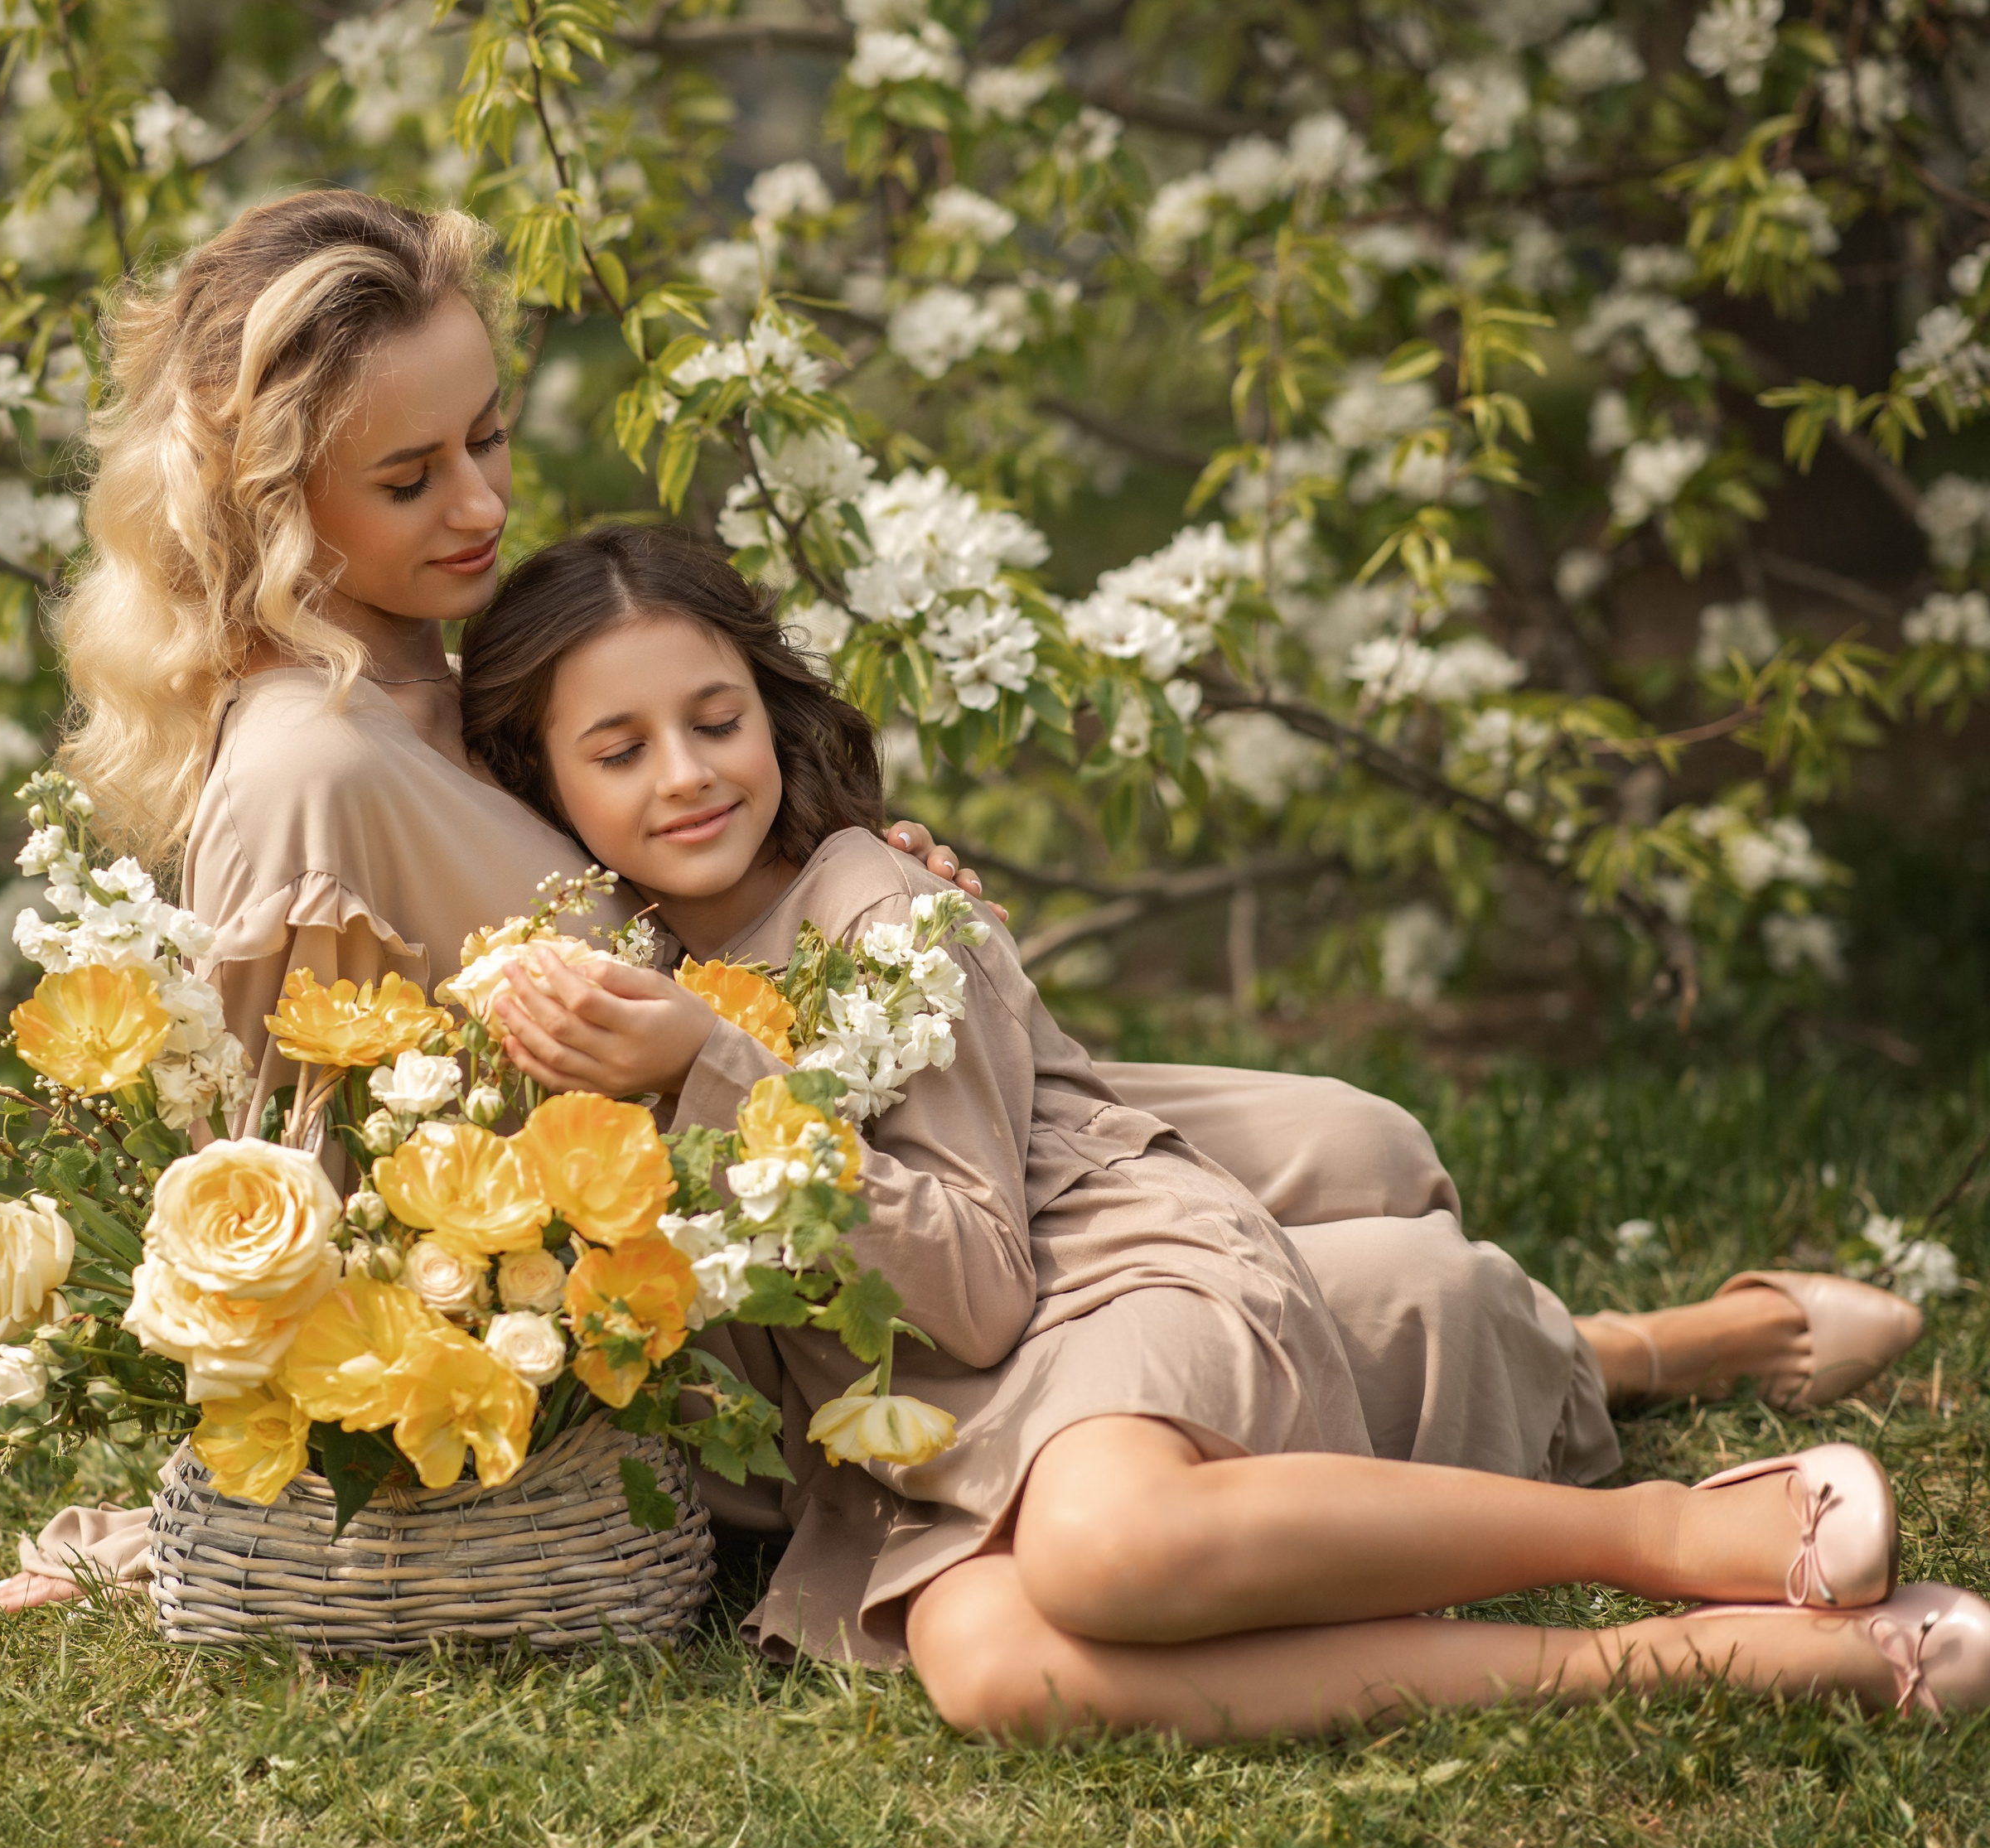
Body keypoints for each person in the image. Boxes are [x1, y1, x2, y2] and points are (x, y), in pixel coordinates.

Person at [0, 190, 1911, 1605]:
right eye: (411, 478)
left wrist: (851, 873)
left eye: (489, 436)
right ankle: (1640, 1346)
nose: (479, 504)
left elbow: (638, 791)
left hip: (813, 1045)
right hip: (731, 1202)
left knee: (1368, 1142)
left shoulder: (427, 630)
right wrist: (221, 1460)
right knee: (1344, 1239)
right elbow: (291, 1150)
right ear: (263, 496)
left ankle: (1546, 1347)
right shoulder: (309, 757)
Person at [446, 523, 1989, 1735]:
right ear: (541, 784)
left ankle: (1681, 1532)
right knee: (993, 1669)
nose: (691, 772)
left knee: (1109, 1552)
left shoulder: (879, 907)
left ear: (769, 708)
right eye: (621, 749)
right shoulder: (591, 974)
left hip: (1083, 1301)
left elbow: (980, 1284)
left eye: (716, 719)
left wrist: (713, 1069)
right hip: (911, 1439)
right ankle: (1717, 1658)